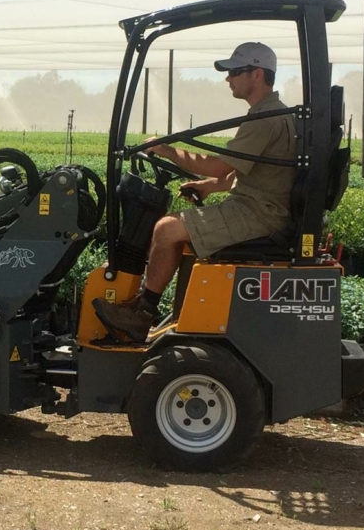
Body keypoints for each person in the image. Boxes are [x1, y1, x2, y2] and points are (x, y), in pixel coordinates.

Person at [93, 41, 297, 341]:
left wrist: (168, 152)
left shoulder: (264, 119)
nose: (228, 79)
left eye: (235, 72)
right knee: (176, 232)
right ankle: (168, 310)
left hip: (259, 214)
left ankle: (142, 313)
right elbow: (239, 173)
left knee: (165, 229)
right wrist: (207, 187)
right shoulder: (273, 113)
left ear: (257, 74)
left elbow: (217, 166)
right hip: (263, 206)